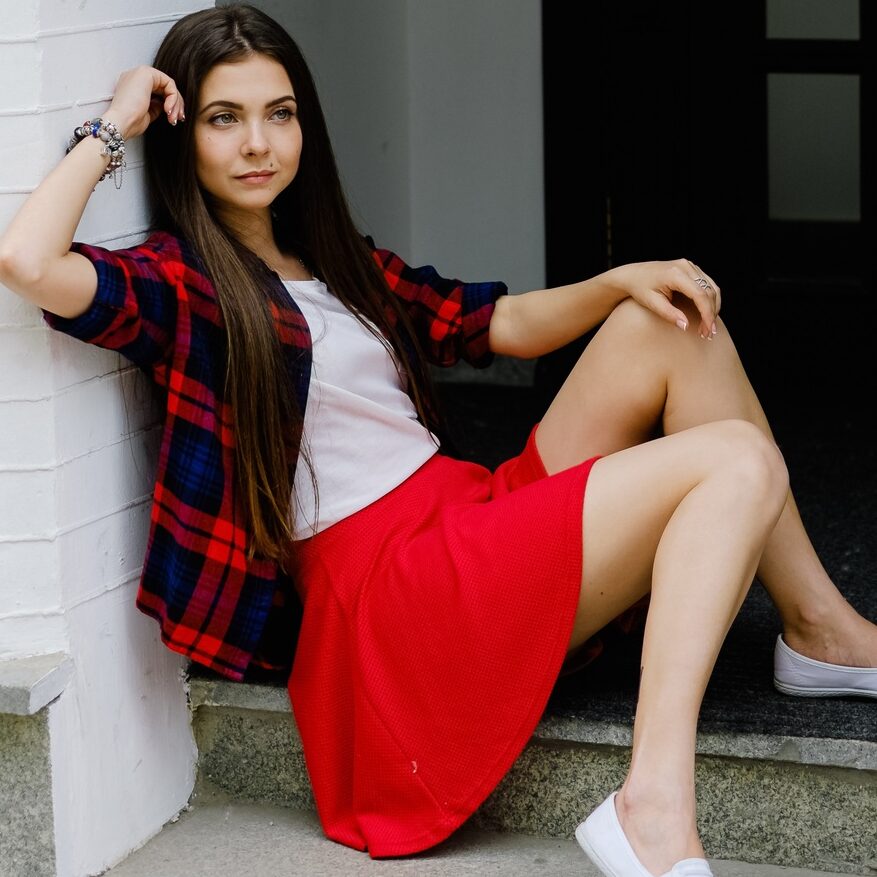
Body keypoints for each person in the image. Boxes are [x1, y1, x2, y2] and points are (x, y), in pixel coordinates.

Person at [0, 5, 873, 876]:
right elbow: (29, 262)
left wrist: (615, 280)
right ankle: (651, 802)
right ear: (183, 133)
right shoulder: (182, 283)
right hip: (397, 593)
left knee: (671, 323)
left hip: (464, 516)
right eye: (225, 119)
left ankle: (819, 629)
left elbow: (497, 323)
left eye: (280, 112)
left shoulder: (336, 260)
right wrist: (115, 122)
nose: (258, 143)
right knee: (736, 457)